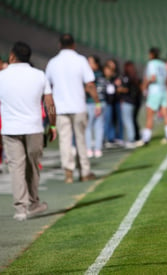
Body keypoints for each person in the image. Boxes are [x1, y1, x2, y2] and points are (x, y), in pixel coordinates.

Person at [0, 41, 57, 221]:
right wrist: (53, 125)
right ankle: (33, 203)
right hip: (34, 128)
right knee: (33, 167)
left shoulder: (2, 76)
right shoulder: (39, 75)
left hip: (10, 129)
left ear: (11, 56)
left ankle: (20, 209)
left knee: (16, 167)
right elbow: (50, 104)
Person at [45, 34, 101, 184]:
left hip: (61, 107)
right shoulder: (80, 60)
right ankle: (85, 171)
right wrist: (97, 102)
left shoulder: (53, 63)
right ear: (74, 45)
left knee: (65, 141)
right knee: (81, 140)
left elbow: (47, 86)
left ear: (59, 45)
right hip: (78, 106)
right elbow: (89, 84)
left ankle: (68, 173)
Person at [138, 47, 167, 146]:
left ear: (152, 54)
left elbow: (152, 78)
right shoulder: (162, 64)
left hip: (154, 91)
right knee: (165, 113)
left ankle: (146, 139)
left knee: (150, 115)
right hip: (162, 89)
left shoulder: (151, 63)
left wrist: (144, 86)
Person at [116, 61, 142, 148]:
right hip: (133, 102)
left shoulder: (126, 78)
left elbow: (126, 89)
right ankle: (133, 138)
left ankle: (131, 139)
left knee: (127, 121)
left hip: (127, 101)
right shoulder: (135, 77)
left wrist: (119, 88)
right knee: (130, 120)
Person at [86, 55, 106, 158]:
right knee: (98, 127)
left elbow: (90, 88)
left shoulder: (91, 75)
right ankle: (97, 149)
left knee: (89, 127)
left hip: (92, 102)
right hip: (100, 103)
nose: (88, 64)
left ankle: (90, 149)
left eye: (90, 62)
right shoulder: (102, 74)